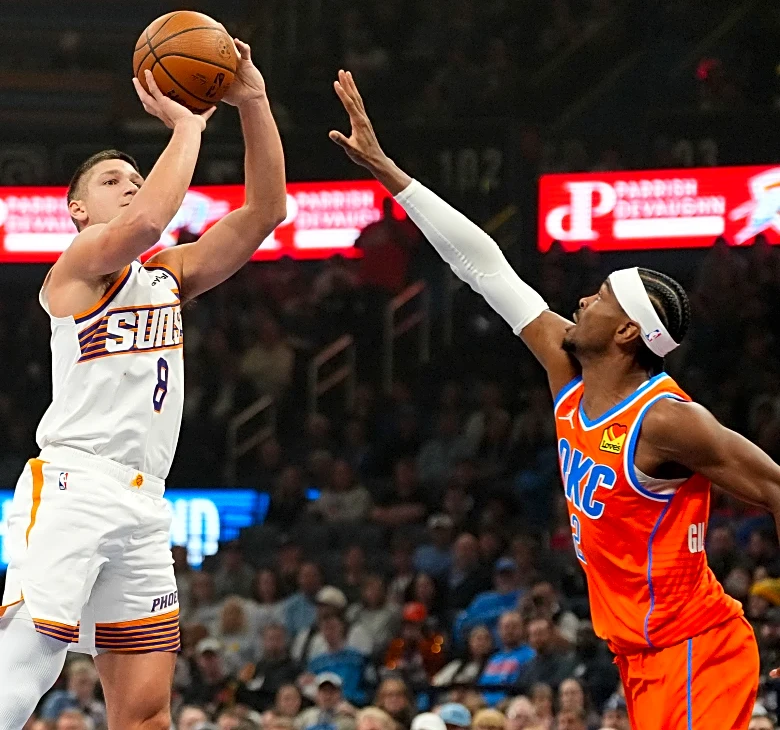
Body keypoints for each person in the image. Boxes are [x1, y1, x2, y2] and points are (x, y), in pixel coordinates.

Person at [329, 67, 780, 729]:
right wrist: (391, 174)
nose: (579, 300)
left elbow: (772, 483)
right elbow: (484, 267)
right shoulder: (565, 365)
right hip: (636, 652)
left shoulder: (668, 421)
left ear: (628, 332)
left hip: (696, 647)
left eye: (599, 299)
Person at [0, 44, 287, 730]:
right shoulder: (74, 267)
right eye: (112, 180)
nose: (130, 183)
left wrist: (252, 101)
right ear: (75, 209)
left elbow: (265, 212)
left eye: (136, 174)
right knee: (25, 664)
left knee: (146, 712)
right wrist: (187, 127)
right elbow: (147, 223)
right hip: (73, 484)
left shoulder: (167, 277)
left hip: (145, 504)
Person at [453, 558, 525, 642]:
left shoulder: (524, 596)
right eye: (501, 575)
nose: (505, 579)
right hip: (484, 645)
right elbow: (467, 621)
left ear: (517, 576)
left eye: (509, 575)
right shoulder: (483, 599)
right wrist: (498, 614)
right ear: (495, 578)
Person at [237, 622, 301, 712]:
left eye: (278, 639)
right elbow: (246, 695)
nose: (274, 643)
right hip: (258, 713)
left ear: (285, 640)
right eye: (270, 639)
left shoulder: (295, 667)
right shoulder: (255, 668)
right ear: (264, 641)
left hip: (285, 713)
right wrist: (241, 683)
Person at [477, 611, 535, 706]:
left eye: (514, 627)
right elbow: (481, 687)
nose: (509, 631)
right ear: (499, 630)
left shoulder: (530, 655)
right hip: (484, 706)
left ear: (523, 629)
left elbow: (525, 688)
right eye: (506, 627)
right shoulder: (494, 658)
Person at [39, 658, 107, 728]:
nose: (86, 688)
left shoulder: (98, 709)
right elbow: (45, 725)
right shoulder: (58, 700)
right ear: (71, 682)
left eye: (90, 683)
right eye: (82, 682)